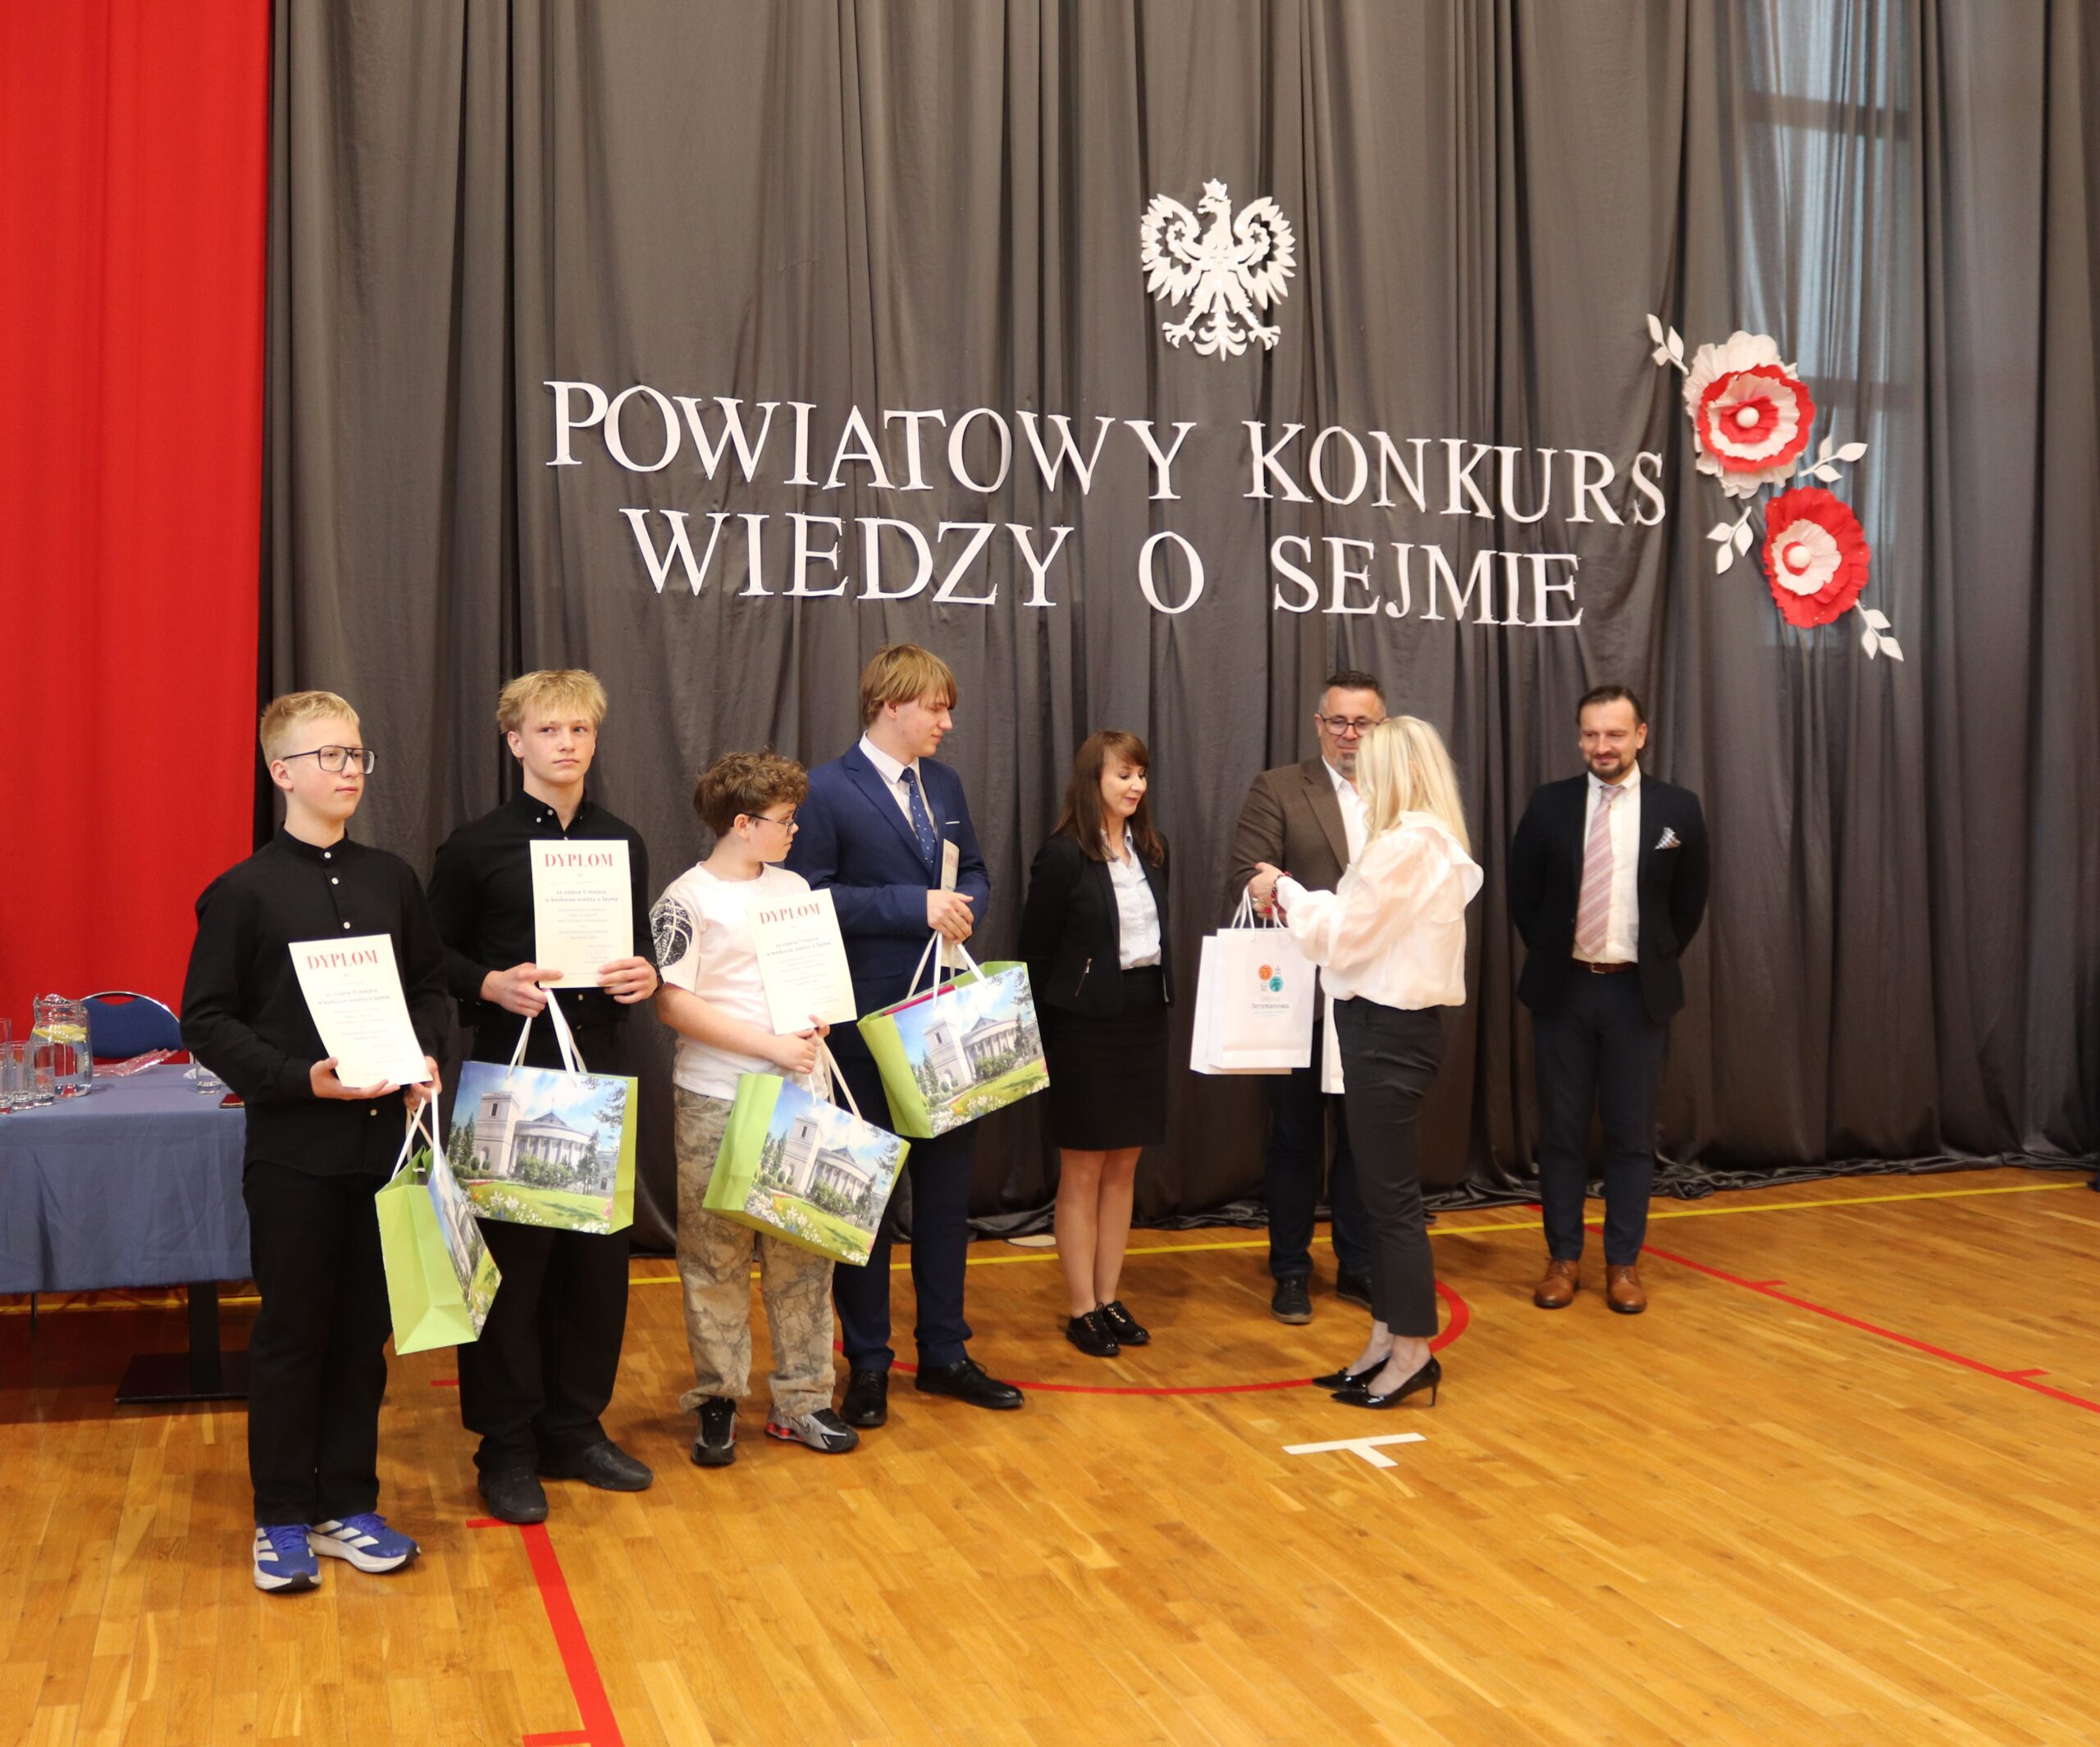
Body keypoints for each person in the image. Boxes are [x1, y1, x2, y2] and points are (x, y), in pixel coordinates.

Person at [181, 690, 447, 1593]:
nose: (349, 770)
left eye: (357, 754)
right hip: (294, 1154)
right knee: (293, 1335)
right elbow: (206, 1020)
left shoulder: (392, 879)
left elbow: (428, 987)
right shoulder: (243, 892)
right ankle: (283, 1517)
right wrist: (301, 1078)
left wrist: (424, 1055)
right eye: (329, 755)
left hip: (383, 1152)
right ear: (282, 771)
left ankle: (348, 1505)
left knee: (363, 1337)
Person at [425, 670, 660, 1524]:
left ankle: (575, 1429)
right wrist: (488, 983)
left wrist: (644, 973)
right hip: (511, 1070)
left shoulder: (622, 841)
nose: (567, 743)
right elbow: (430, 958)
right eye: (549, 730)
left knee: (595, 1268)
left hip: (600, 1068)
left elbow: (635, 947)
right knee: (512, 1271)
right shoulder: (474, 847)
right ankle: (507, 1447)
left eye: (580, 730)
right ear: (515, 742)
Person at [785, 644, 1024, 1424]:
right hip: (861, 1027)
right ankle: (869, 1364)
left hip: (943, 1020)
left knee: (947, 1200)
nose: (947, 723)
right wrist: (913, 905)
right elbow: (809, 896)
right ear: (891, 704)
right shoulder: (825, 789)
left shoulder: (944, 785)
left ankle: (946, 1353)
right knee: (866, 1199)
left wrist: (965, 904)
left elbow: (975, 869)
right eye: (935, 708)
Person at [1250, 717, 1481, 1410]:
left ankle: (1412, 1352)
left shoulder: (1409, 845)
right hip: (1383, 1030)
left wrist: (1288, 890)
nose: (1361, 778)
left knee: (1393, 1203)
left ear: (1401, 771)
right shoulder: (1413, 842)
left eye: (1371, 766)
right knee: (1383, 1201)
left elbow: (1344, 938)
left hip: (1388, 1032)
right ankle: (1386, 1340)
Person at [652, 750, 859, 1464]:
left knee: (804, 1253)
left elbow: (811, 980)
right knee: (716, 1255)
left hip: (798, 1096)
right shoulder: (686, 899)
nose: (794, 830)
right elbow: (672, 1003)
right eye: (783, 820)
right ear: (742, 824)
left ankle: (804, 1400)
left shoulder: (794, 887)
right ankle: (718, 1399)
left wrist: (816, 1017)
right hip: (717, 1096)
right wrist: (769, 1045)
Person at [1508, 684, 1709, 1315]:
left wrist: (1652, 956)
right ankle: (1563, 1260)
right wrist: (1556, 954)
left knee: (1630, 1136)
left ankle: (1623, 1264)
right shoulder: (1549, 804)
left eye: (1615, 734)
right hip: (1563, 992)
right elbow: (1523, 895)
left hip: (1637, 996)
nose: (1603, 746)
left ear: (1640, 736)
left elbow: (1690, 901)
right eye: (1592, 734)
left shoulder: (1678, 808)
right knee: (1562, 1135)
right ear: (1579, 738)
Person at [1227, 668, 1385, 1323]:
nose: (1350, 734)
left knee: (1361, 1139)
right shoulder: (1281, 787)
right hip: (1296, 996)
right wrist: (1269, 888)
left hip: (1376, 993)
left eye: (1362, 723)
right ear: (1319, 725)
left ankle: (1357, 1266)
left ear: (1382, 728)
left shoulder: (1400, 793)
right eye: (1338, 721)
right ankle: (1291, 1270)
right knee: (1294, 1139)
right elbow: (1247, 873)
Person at [1018, 731, 1172, 1358]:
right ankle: (1081, 1306)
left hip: (1143, 1014)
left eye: (1141, 774)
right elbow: (1036, 953)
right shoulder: (1062, 856)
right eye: (1122, 775)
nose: (1135, 786)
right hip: (1082, 1026)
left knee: (1125, 1164)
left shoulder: (1152, 849)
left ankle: (1109, 1297)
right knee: (1082, 1170)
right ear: (1093, 781)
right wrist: (1041, 1039)